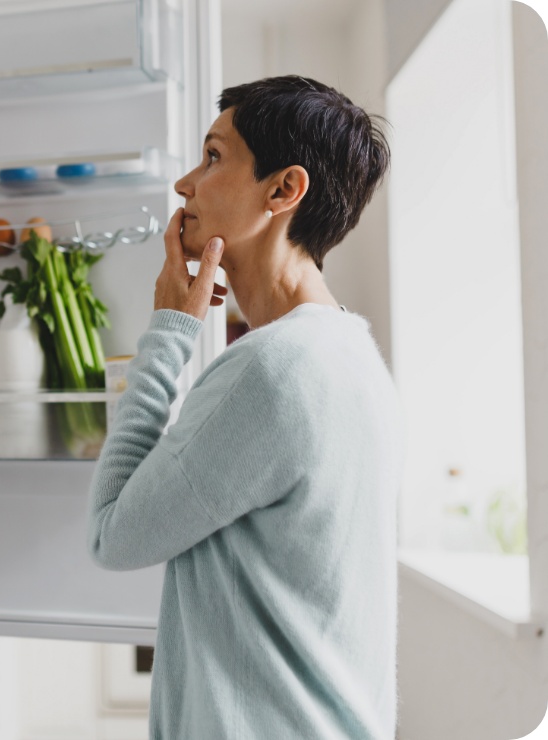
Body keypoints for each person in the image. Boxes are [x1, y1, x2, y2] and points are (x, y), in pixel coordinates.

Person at [87, 75, 404, 739]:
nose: (185, 186)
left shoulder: (271, 371)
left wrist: (169, 330)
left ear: (283, 190)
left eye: (212, 157)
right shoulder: (352, 353)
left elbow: (111, 535)